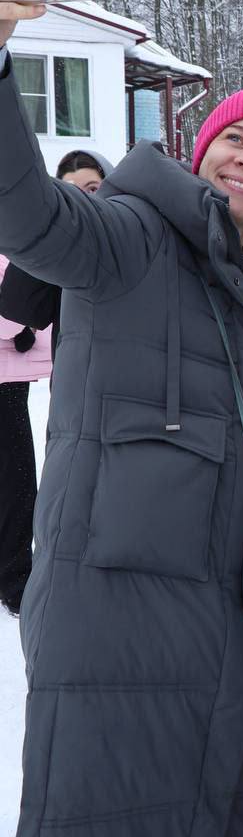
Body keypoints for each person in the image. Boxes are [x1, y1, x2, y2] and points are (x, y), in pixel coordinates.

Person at [0, 0, 243, 837]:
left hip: (215, 607)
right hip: (119, 614)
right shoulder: (130, 233)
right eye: (237, 140)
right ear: (198, 147)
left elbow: (221, 406)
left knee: (215, 822)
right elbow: (30, 216)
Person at [0, 147, 115, 356]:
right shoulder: (60, 260)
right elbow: (20, 308)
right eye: (73, 192)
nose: (84, 201)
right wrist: (39, 233)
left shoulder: (138, 245)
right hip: (71, 383)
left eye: (92, 189)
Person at [0, 253, 51, 615]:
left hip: (9, 376)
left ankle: (16, 577)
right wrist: (18, 321)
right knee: (15, 480)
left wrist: (25, 324)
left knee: (15, 479)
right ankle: (16, 579)